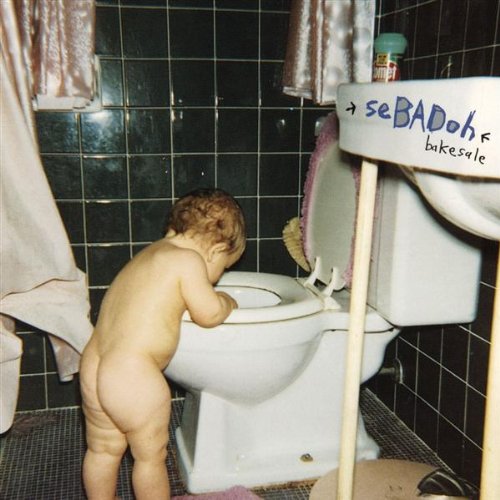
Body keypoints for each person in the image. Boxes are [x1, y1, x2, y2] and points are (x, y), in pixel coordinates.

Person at [79, 188, 246, 500]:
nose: (217, 278)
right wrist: (226, 301)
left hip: (93, 362)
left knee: (102, 450)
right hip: (133, 373)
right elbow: (209, 313)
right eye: (223, 267)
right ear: (216, 250)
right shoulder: (189, 261)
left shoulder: (149, 254)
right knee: (150, 458)